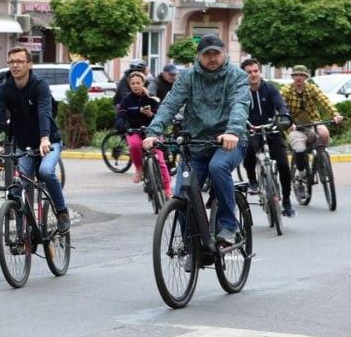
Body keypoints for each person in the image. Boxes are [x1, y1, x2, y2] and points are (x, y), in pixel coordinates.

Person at [143, 34, 250, 259]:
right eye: (206, 54)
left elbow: (239, 105)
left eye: (216, 53)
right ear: (199, 57)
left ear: (224, 54)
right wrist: (153, 132)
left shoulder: (237, 76)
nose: (212, 58)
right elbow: (170, 104)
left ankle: (229, 226)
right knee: (183, 194)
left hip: (229, 142)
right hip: (196, 144)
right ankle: (192, 244)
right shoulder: (188, 77)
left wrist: (232, 131)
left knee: (218, 167)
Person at [0, 46, 71, 234]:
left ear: (29, 64)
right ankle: (23, 237)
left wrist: (44, 138)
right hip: (23, 145)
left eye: (19, 61)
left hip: (49, 142)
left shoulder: (40, 86)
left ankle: (62, 211)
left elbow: (44, 111)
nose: (15, 65)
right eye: (11, 62)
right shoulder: (5, 89)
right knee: (20, 183)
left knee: (45, 171)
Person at [240, 58, 295, 218]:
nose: (253, 74)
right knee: (248, 152)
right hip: (251, 129)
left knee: (283, 165)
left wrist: (284, 115)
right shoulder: (241, 91)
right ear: (244, 75)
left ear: (260, 71)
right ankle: (253, 181)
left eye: (255, 71)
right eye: (249, 72)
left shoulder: (270, 89)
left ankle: (286, 201)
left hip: (271, 129)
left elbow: (280, 105)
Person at [280, 65, 342, 174]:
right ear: (293, 77)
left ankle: (320, 159)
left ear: (305, 77)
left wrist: (335, 114)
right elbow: (279, 105)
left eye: (301, 75)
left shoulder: (312, 88)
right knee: (299, 149)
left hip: (313, 122)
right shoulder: (286, 90)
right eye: (296, 75)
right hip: (294, 125)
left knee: (324, 134)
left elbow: (324, 100)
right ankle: (301, 171)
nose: (299, 77)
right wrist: (287, 122)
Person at [118, 71, 170, 193]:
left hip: (152, 131)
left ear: (143, 83)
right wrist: (123, 127)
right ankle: (139, 169)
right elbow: (121, 117)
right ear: (129, 85)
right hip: (134, 131)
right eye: (133, 83)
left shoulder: (152, 99)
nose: (135, 86)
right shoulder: (126, 100)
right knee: (134, 145)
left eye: (138, 83)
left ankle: (167, 188)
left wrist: (150, 114)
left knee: (160, 159)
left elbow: (160, 118)